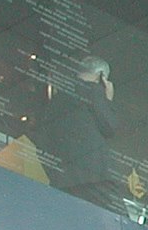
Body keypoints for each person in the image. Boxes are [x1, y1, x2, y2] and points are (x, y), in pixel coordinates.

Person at [31, 55, 118, 208]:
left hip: (62, 181)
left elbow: (42, 139)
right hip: (92, 179)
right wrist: (108, 100)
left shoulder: (57, 100)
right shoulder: (93, 90)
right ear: (101, 77)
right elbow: (110, 127)